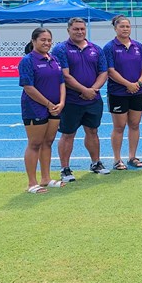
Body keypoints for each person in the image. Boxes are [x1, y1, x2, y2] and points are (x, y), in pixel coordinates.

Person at [52, 18, 111, 182]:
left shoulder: (96, 49)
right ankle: (65, 169)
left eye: (82, 29)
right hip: (71, 100)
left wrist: (93, 90)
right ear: (68, 30)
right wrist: (84, 90)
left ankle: (95, 163)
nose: (79, 32)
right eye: (76, 29)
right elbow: (65, 75)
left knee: (92, 131)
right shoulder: (61, 49)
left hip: (93, 99)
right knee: (68, 134)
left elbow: (103, 72)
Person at [19, 28, 66, 193]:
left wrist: (61, 103)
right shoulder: (27, 61)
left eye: (49, 40)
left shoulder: (54, 59)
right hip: (35, 108)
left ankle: (46, 178)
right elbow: (28, 87)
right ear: (34, 41)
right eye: (43, 40)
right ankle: (32, 183)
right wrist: (48, 104)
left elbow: (61, 82)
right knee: (35, 144)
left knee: (48, 142)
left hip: (55, 108)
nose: (46, 43)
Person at [104, 15, 142, 170]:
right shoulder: (109, 47)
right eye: (122, 26)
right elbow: (110, 70)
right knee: (119, 126)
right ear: (115, 28)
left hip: (137, 91)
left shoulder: (138, 46)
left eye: (127, 26)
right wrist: (127, 84)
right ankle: (117, 159)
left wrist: (138, 83)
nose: (125, 29)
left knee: (134, 125)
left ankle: (132, 156)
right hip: (118, 93)